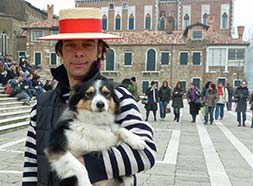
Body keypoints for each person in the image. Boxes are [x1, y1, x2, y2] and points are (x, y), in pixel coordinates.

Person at [22, 7, 156, 186]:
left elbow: (146, 153)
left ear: (100, 50)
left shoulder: (118, 97)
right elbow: (31, 167)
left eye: (87, 45)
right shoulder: (40, 106)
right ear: (60, 51)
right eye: (70, 45)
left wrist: (85, 166)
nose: (78, 53)